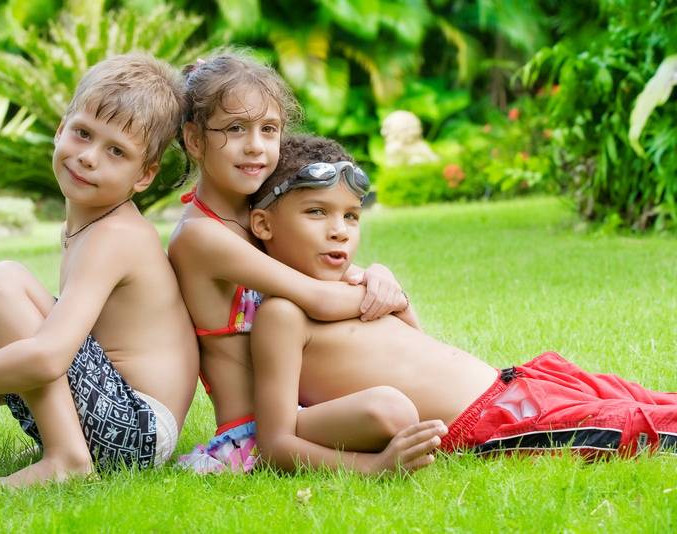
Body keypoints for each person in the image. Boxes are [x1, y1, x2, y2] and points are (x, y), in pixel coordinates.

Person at [249, 134, 677, 475]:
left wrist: (389, 289)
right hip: (497, 421)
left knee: (649, 399)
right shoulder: (283, 315)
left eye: (351, 216)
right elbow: (275, 442)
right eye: (316, 212)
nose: (339, 230)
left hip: (521, 381)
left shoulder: (353, 282)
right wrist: (373, 467)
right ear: (264, 224)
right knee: (638, 426)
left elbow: (417, 344)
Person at [0, 53, 199, 488]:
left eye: (116, 151)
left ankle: (66, 458)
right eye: (83, 133)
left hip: (138, 429)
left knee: (1, 283)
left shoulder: (114, 235)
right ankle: (63, 442)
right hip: (116, 416)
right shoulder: (87, 226)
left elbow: (50, 356)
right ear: (61, 129)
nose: (88, 157)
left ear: (144, 175)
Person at [168, 53, 419, 473]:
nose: (255, 145)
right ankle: (371, 465)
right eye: (235, 129)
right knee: (390, 410)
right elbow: (320, 298)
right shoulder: (201, 236)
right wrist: (384, 294)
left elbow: (337, 276)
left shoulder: (263, 220)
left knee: (407, 394)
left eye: (268, 129)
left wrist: (377, 275)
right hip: (254, 432)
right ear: (194, 140)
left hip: (308, 410)